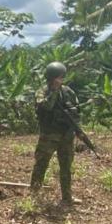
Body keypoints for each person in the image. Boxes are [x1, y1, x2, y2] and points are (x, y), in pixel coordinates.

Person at [30, 62, 81, 206]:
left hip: (66, 135)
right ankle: (34, 196)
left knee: (66, 167)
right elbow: (46, 106)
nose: (60, 80)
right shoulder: (42, 92)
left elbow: (76, 111)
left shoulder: (68, 92)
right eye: (57, 77)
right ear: (50, 78)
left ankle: (67, 198)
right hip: (49, 135)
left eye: (61, 77)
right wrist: (54, 91)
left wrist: (77, 130)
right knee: (41, 164)